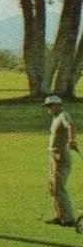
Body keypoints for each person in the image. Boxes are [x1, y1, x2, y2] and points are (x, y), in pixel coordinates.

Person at [44, 95, 79, 227]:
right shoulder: (55, 118)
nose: (48, 108)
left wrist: (71, 139)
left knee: (59, 188)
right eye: (47, 106)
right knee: (52, 188)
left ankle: (69, 218)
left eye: (51, 105)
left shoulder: (64, 115)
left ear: (58, 105)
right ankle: (58, 215)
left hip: (61, 157)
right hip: (53, 156)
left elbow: (70, 126)